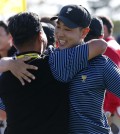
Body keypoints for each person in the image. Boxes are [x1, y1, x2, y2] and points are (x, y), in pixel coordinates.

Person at [0, 11, 107, 134]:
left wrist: (8, 63)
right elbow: (100, 45)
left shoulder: (5, 76)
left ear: (13, 41)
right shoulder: (56, 62)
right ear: (41, 36)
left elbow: (2, 114)